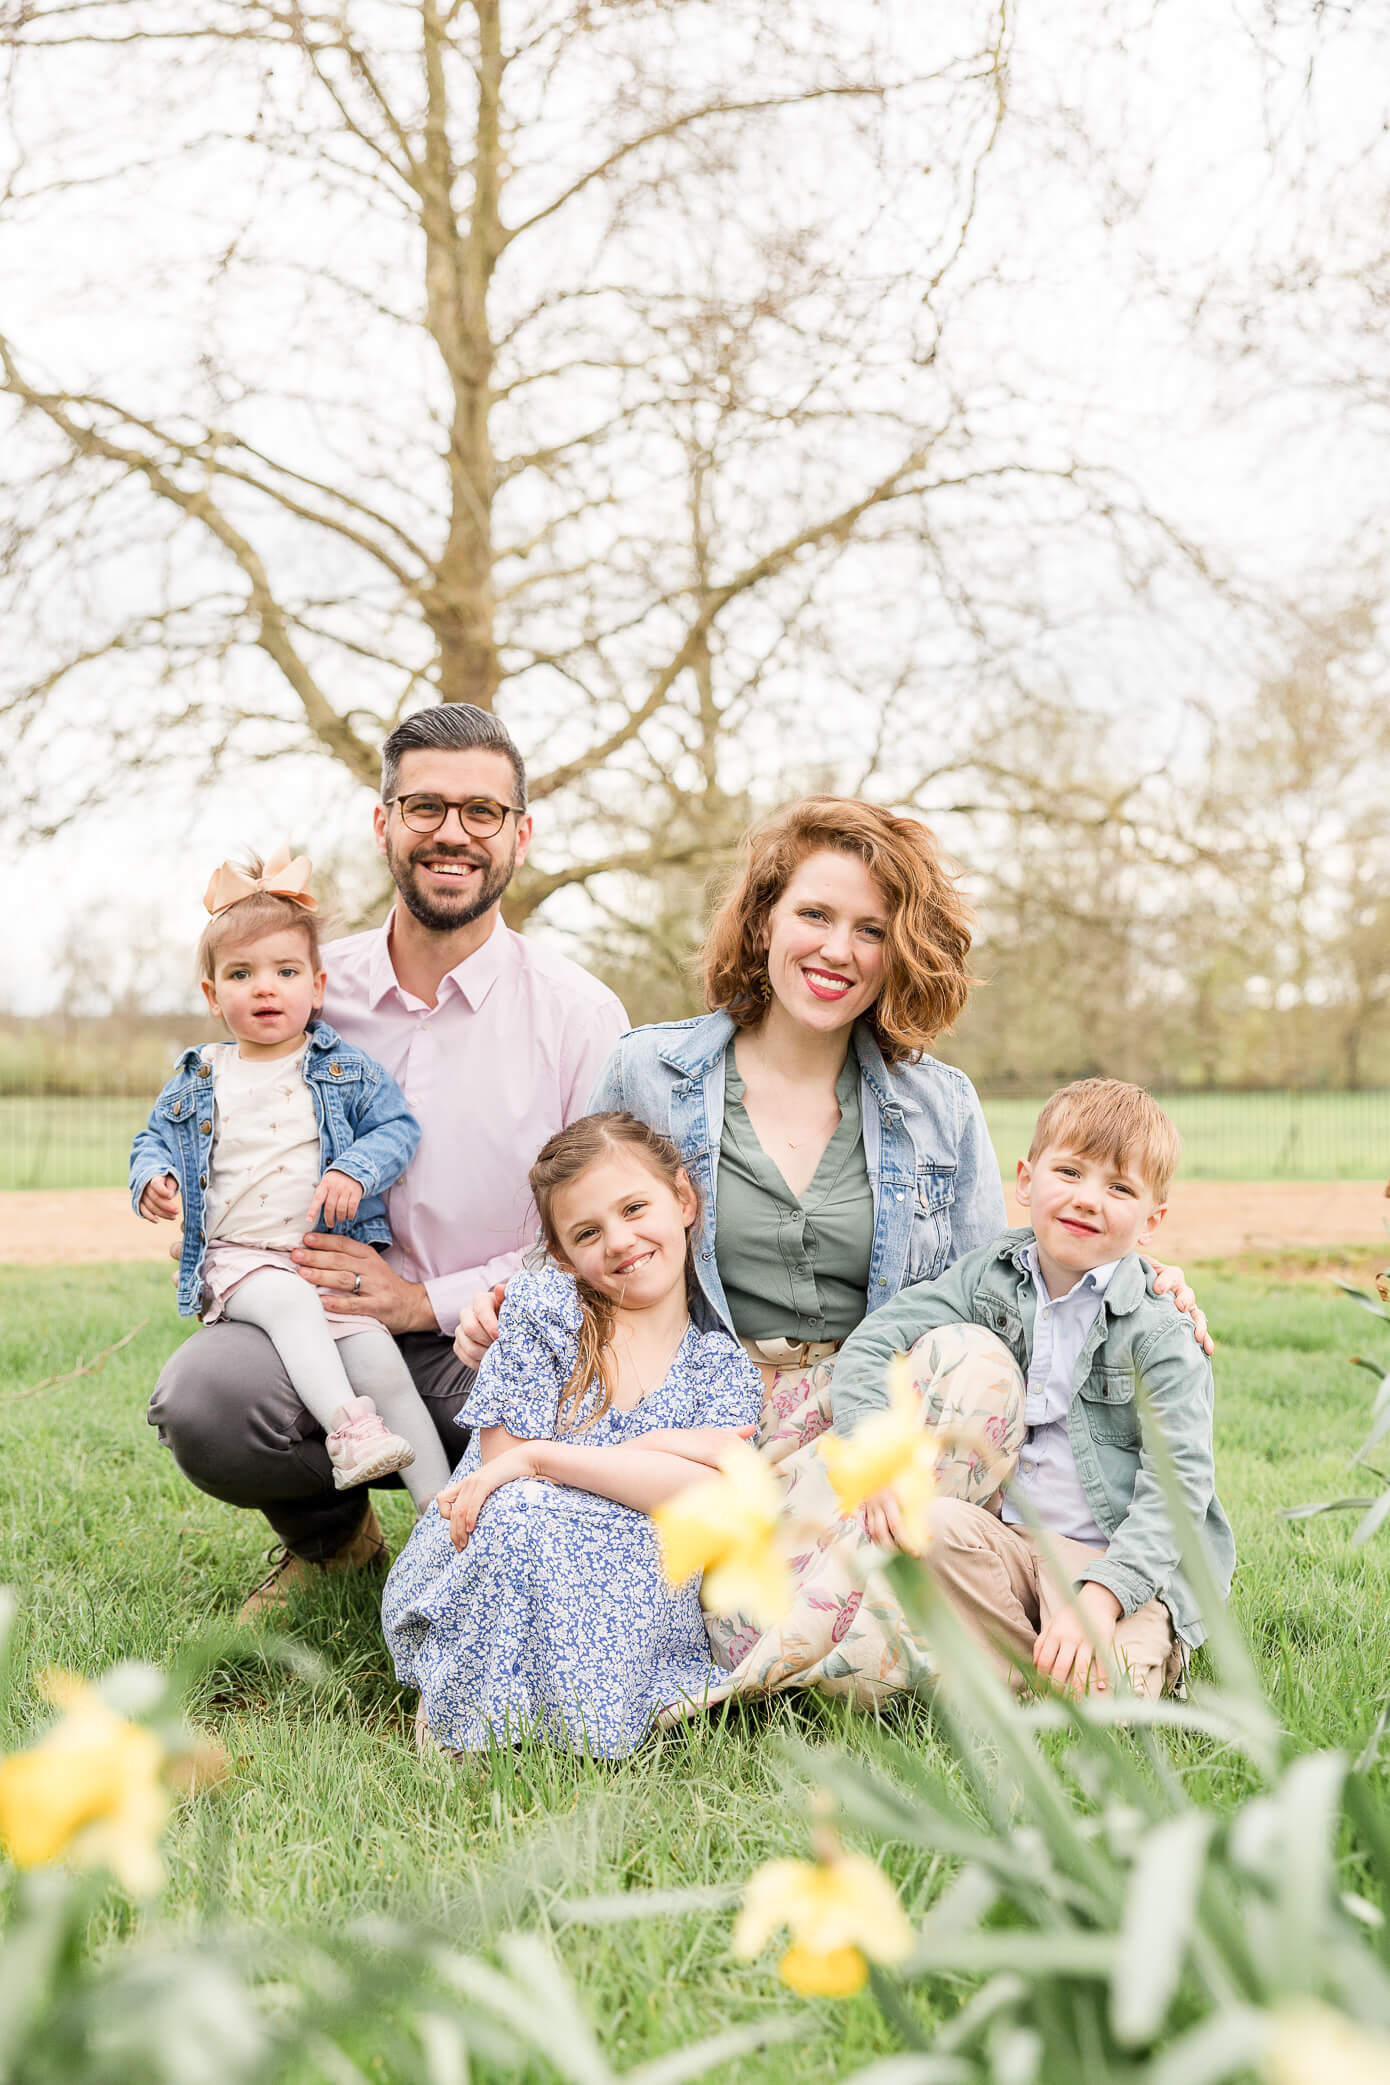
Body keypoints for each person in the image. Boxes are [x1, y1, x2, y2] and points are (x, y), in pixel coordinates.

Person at [147, 704, 626, 1620]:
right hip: (318, 1321)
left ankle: (482, 1547)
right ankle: (334, 1542)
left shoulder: (578, 1016)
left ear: (519, 835)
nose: (453, 833)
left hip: (494, 1337)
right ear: (384, 823)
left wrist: (424, 1302)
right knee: (208, 1399)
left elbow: (600, 1232)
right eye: (425, 807)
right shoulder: (311, 987)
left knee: (585, 1436)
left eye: (482, 812)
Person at [829, 1079, 1236, 1699]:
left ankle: (1071, 1663)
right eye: (1069, 1172)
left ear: (1152, 1221)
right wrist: (870, 1454)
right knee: (929, 1523)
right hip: (1011, 1545)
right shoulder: (991, 1274)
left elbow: (1177, 1491)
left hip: (1119, 1565)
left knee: (1110, 1703)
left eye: (1119, 1187)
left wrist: (1102, 1596)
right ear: (1026, 1180)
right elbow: (874, 1340)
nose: (1088, 1200)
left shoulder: (1160, 1331)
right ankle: (1042, 1670)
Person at [382, 1113, 764, 1758]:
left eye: (635, 1207)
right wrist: (642, 1462)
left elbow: (715, 1502)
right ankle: (464, 1723)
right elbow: (499, 1482)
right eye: (588, 1232)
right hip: (500, 1549)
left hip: (635, 1574)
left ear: (684, 1200)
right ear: (562, 1255)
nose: (620, 1241)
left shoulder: (719, 1365)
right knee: (527, 1513)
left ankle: (576, 1721)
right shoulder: (543, 1312)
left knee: (595, 1525)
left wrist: (545, 1455)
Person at [130, 849, 451, 1513]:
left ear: (318, 986)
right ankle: (349, 1429)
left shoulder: (343, 1070)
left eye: (285, 971)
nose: (265, 987)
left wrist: (353, 1168)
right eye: (242, 974)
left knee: (383, 1366)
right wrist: (154, 1174)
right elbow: (153, 1138)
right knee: (287, 1305)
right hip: (240, 1261)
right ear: (214, 997)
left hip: (321, 1261)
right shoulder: (203, 1075)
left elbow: (396, 1130)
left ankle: (446, 1518)